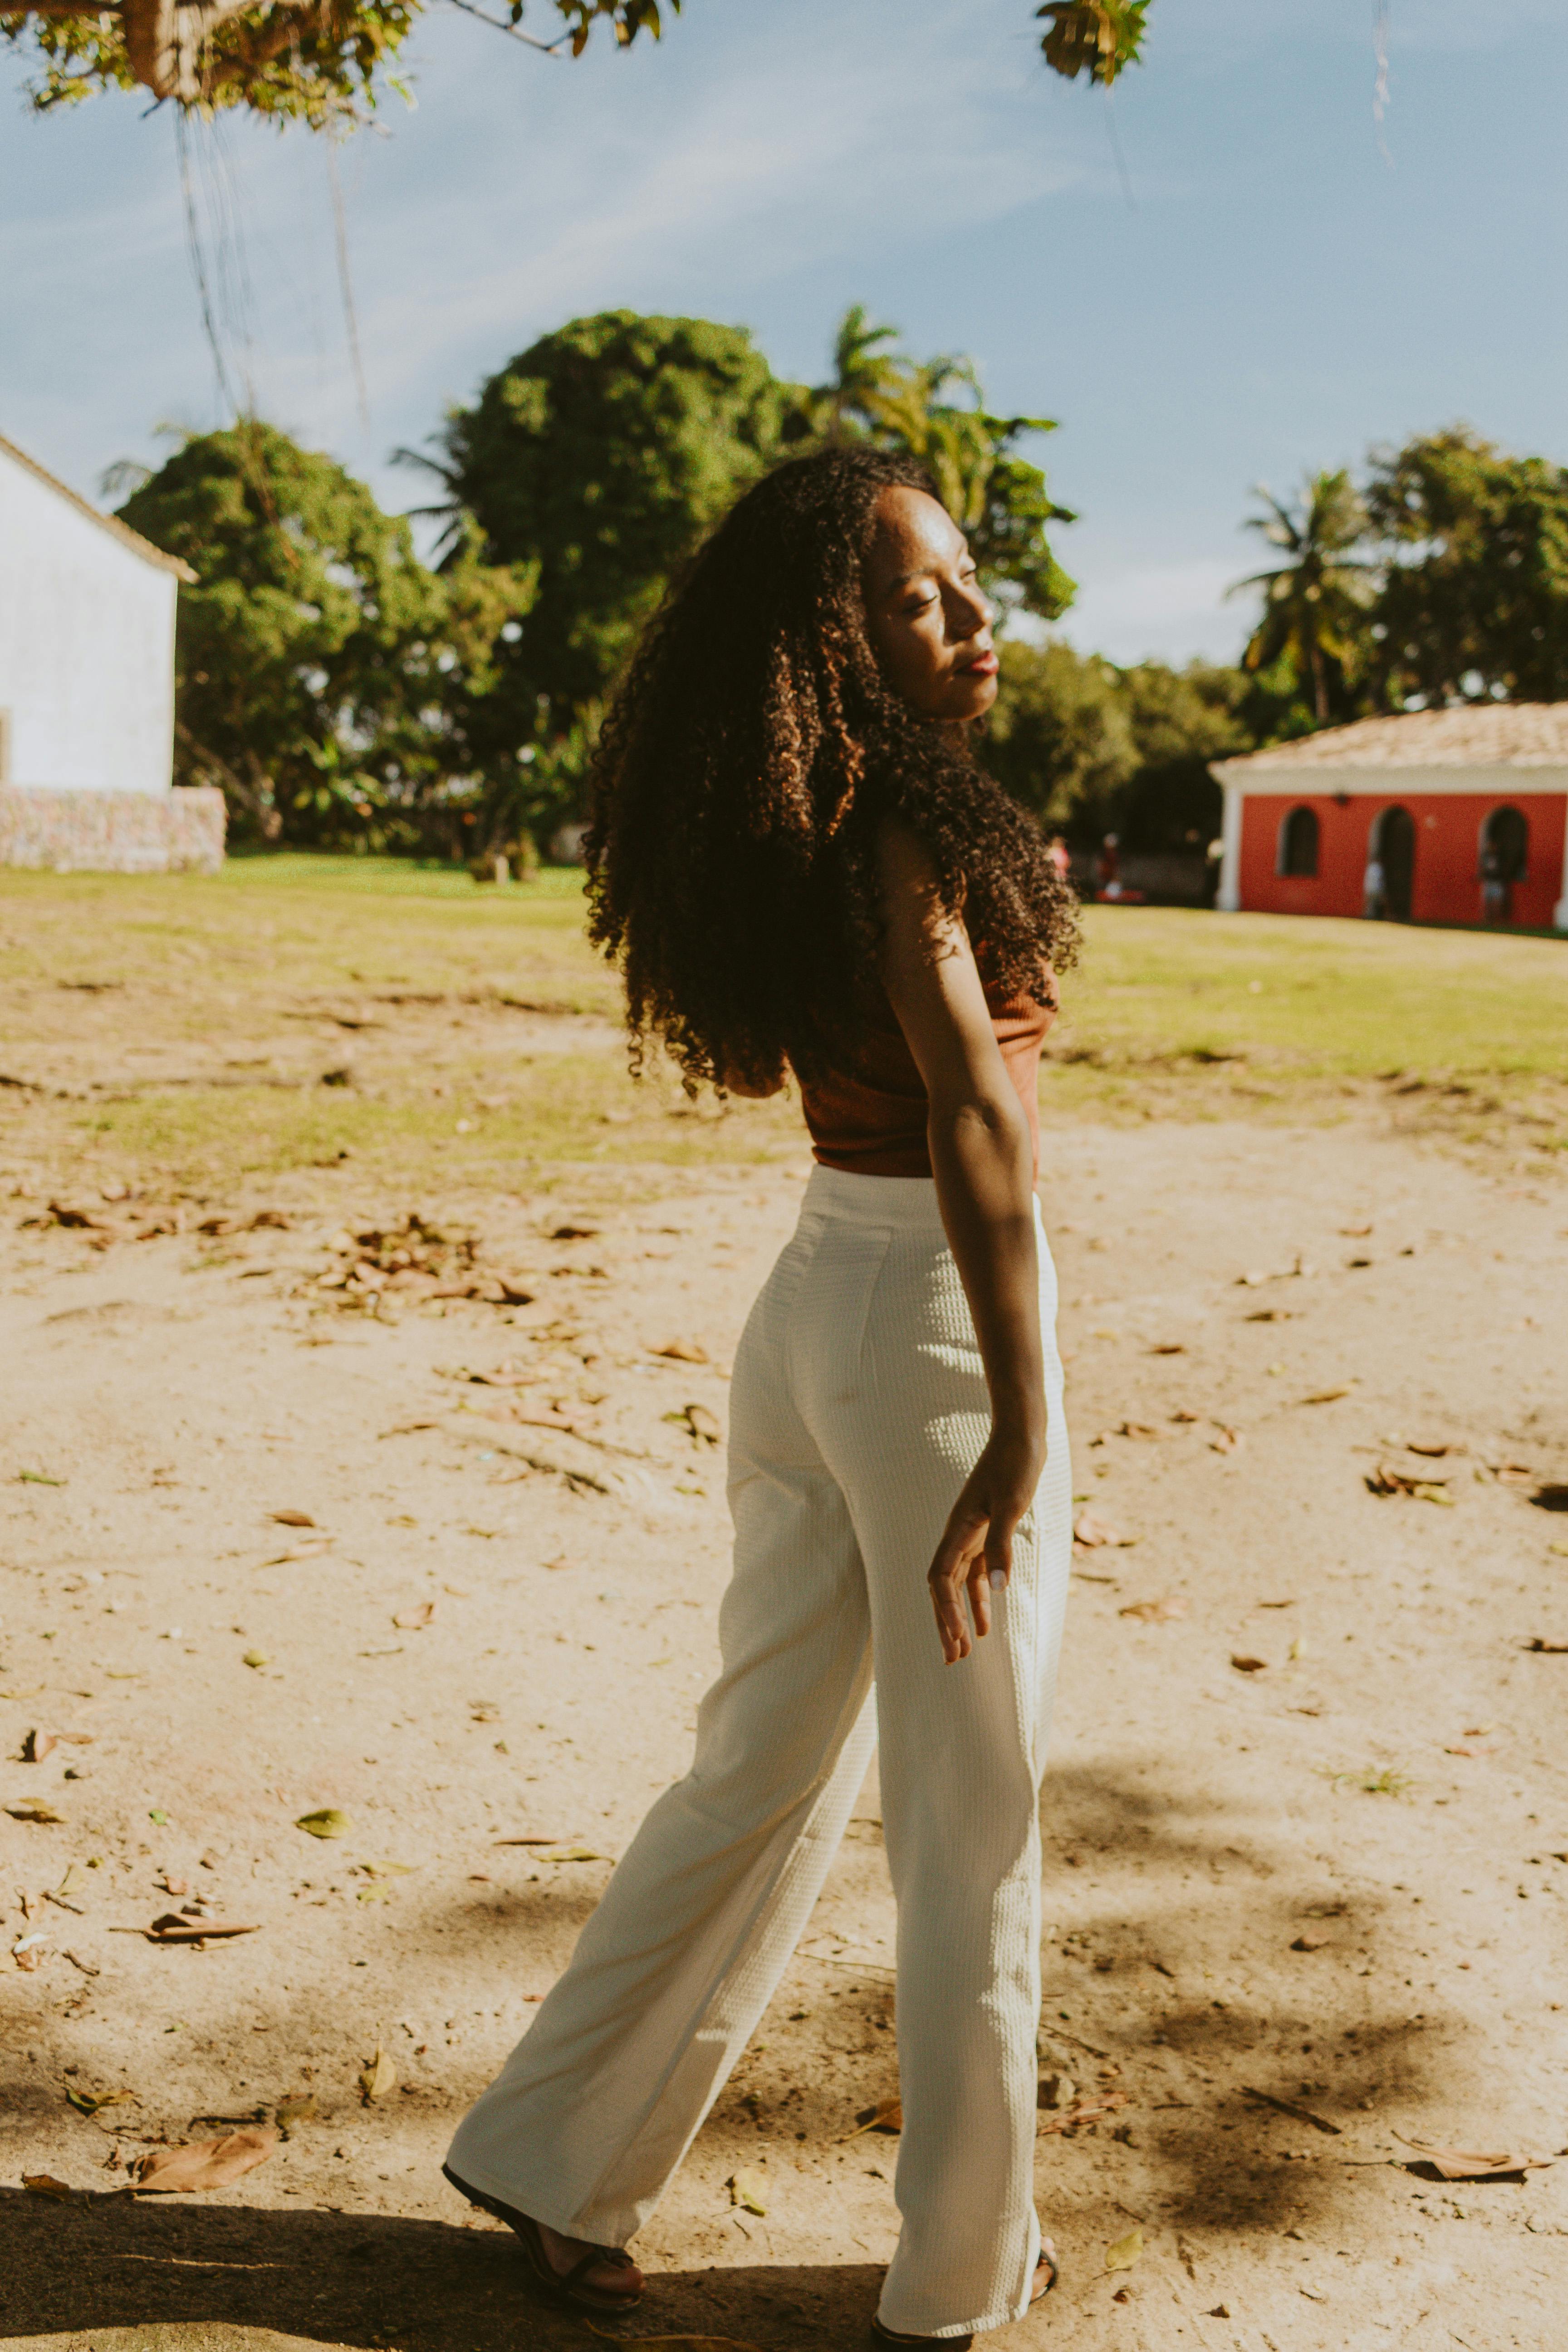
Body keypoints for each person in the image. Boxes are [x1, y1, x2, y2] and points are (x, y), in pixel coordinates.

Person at [442, 446, 1078, 2347]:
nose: (967, 618)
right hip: (936, 1336)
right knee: (971, 1822)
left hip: (816, 1305)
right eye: (914, 596)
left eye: (968, 585)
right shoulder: (896, 832)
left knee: (760, 1766)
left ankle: (556, 2155)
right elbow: (974, 1110)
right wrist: (1028, 1427)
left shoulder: (823, 813)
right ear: (836, 634)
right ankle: (960, 2279)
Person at [1362, 850, 1387, 921]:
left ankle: (1367, 917)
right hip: (1377, 888)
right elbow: (1381, 880)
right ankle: (1387, 916)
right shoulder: (1379, 868)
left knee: (1369, 905)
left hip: (1369, 888)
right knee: (1383, 902)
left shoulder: (1370, 867)